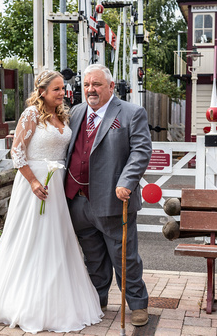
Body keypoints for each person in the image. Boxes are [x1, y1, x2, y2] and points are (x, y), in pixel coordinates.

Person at [0, 70, 103, 333]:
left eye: (63, 89)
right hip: (34, 183)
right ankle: (22, 297)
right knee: (30, 237)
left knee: (57, 239)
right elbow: (17, 152)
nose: (62, 93)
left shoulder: (63, 115)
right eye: (56, 90)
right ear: (42, 92)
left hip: (57, 184)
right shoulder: (31, 115)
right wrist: (34, 181)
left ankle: (58, 297)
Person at [65, 64, 152, 327]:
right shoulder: (76, 112)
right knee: (93, 256)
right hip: (78, 199)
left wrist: (127, 181)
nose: (91, 89)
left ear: (111, 87)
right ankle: (97, 300)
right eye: (87, 85)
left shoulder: (131, 113)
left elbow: (141, 151)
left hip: (115, 201)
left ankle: (137, 304)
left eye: (97, 84)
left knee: (124, 257)